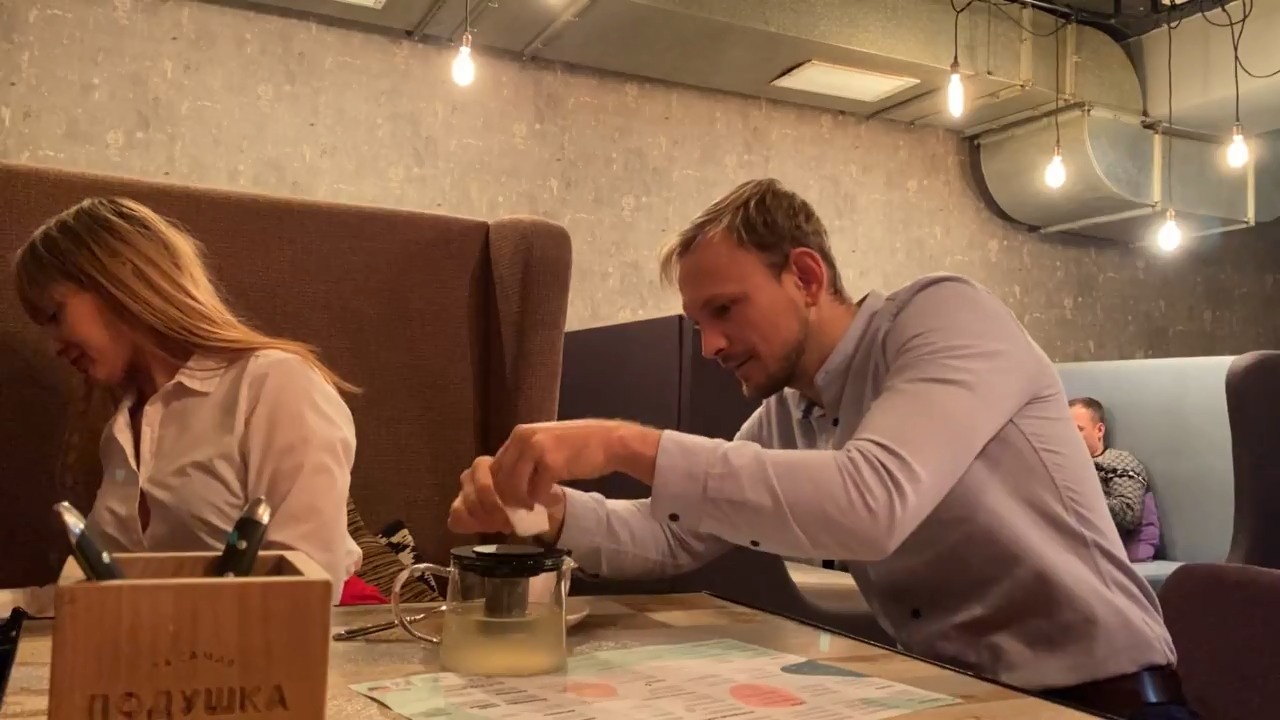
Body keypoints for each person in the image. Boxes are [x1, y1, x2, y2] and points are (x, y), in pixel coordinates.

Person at [450, 179, 1193, 719]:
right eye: (699, 323)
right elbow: (672, 535)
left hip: (1107, 696)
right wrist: (544, 513)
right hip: (963, 698)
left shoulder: (944, 317)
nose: (709, 345)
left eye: (724, 309)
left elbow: (871, 504)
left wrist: (620, 442)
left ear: (806, 276)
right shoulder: (790, 412)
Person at [5, 197, 361, 608]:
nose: (53, 346)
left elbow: (307, 585)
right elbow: (102, 598)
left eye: (54, 315)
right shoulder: (119, 430)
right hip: (181, 641)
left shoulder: (273, 384)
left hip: (302, 637)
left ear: (119, 280)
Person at [1070, 397, 1162, 562]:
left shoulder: (1118, 461)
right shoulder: (1062, 466)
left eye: (1077, 429)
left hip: (1106, 556)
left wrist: (1073, 497)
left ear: (1099, 430)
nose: (1068, 436)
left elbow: (1127, 514)